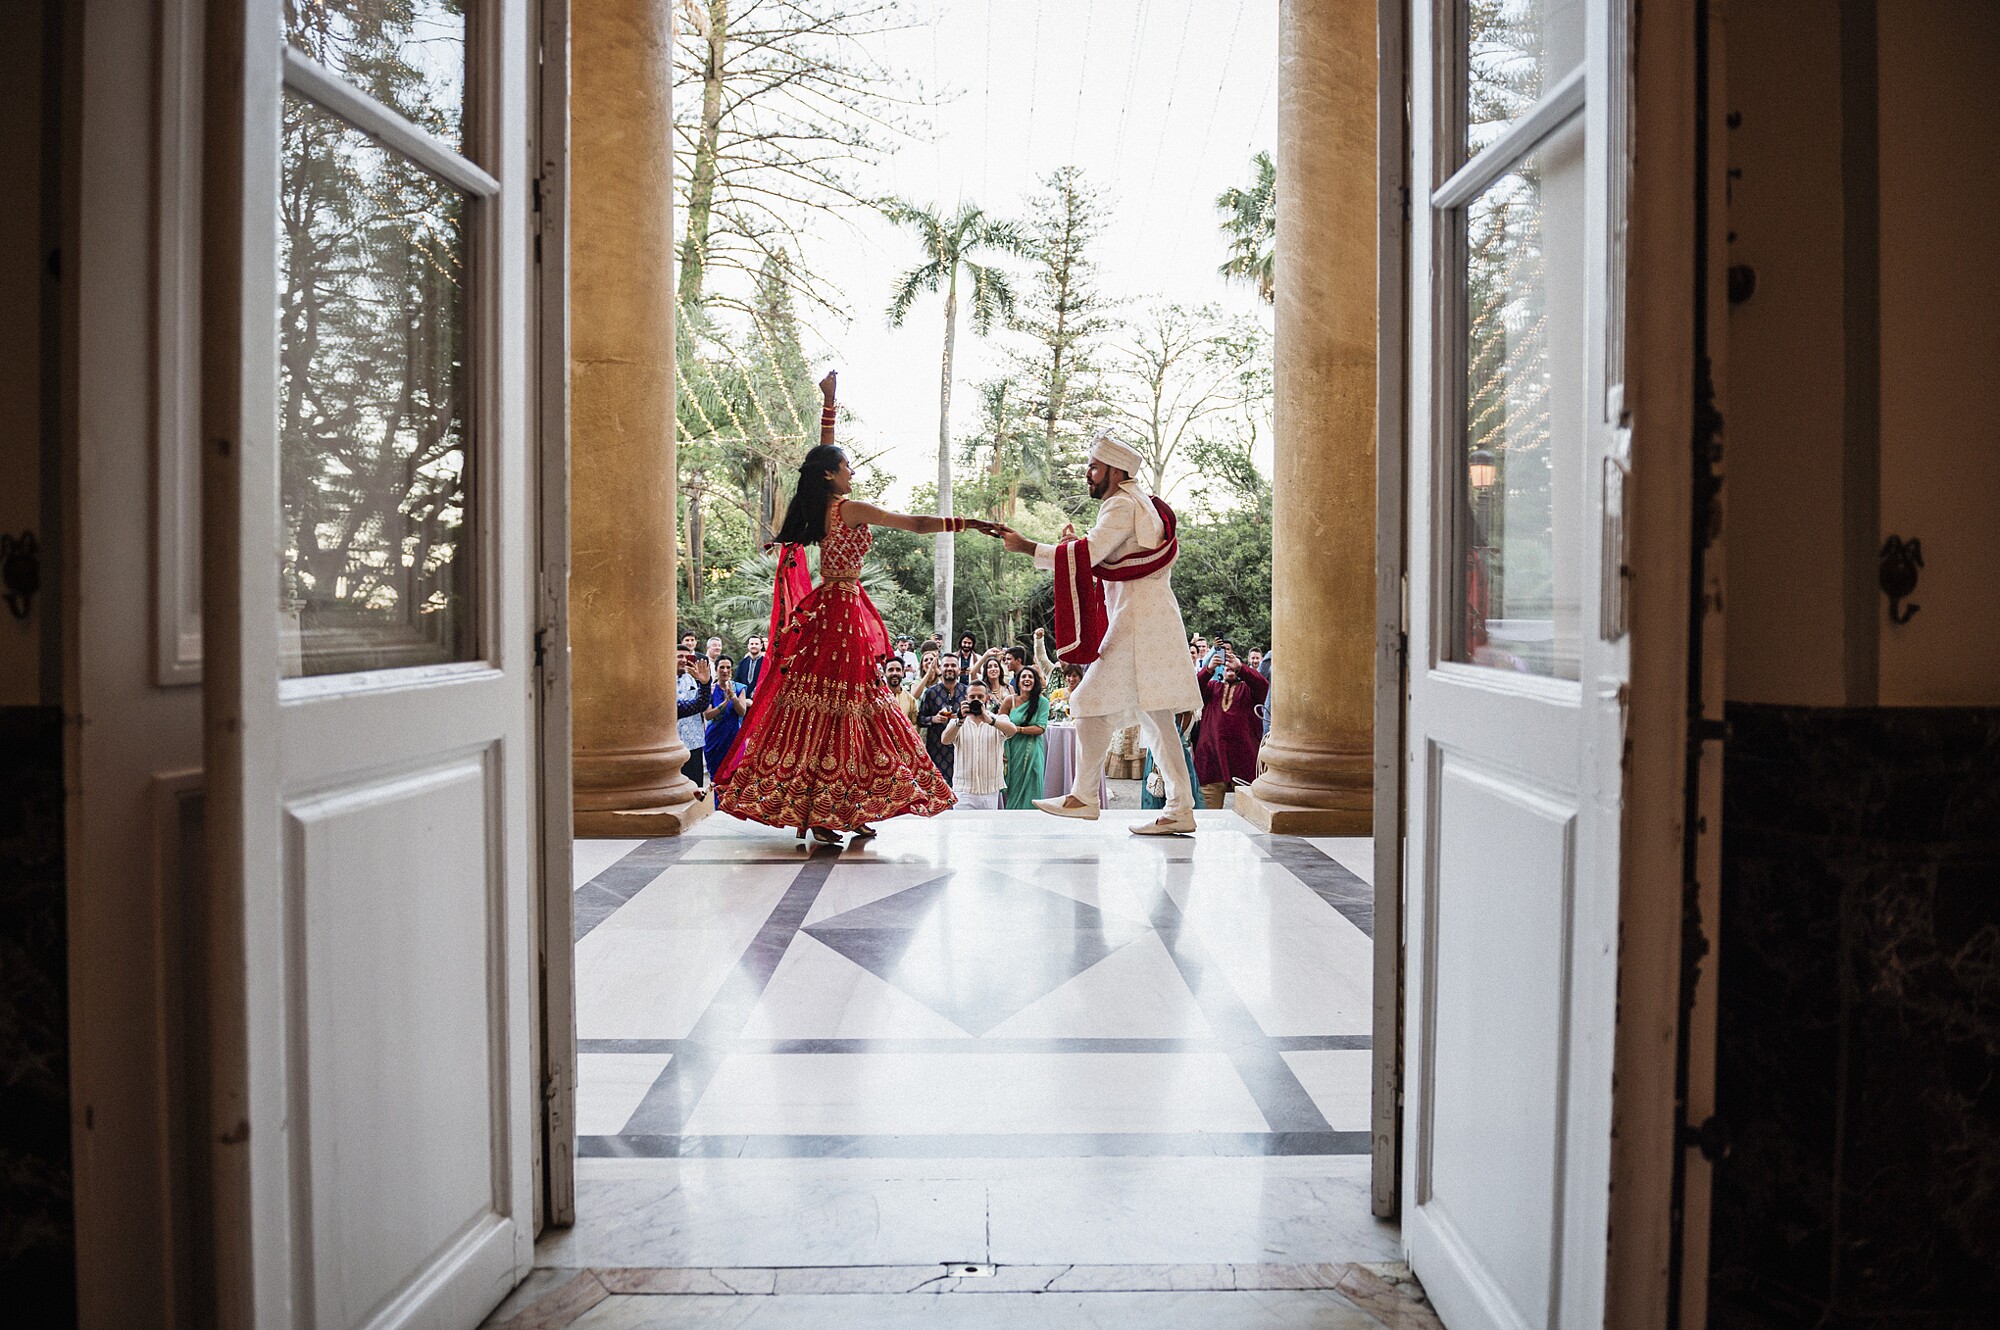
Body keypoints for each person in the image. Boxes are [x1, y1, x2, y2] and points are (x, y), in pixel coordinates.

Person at [710, 372, 994, 845]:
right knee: (847, 707)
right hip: (840, 613)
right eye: (846, 466)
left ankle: (840, 807)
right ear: (831, 475)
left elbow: (823, 456)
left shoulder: (823, 505)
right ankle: (828, 810)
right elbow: (915, 523)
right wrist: (967, 522)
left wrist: (830, 404)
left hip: (836, 610)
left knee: (841, 709)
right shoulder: (849, 508)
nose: (851, 470)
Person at [994, 431, 1203, 835]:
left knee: (1088, 700)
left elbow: (1088, 556)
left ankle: (1085, 797)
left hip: (1138, 627)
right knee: (1157, 718)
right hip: (1147, 623)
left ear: (1114, 470)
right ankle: (1180, 806)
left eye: (1093, 467)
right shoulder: (1138, 503)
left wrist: (1026, 547)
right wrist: (1074, 546)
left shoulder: (1122, 505)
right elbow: (1098, 554)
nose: (1088, 474)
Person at [1192, 646, 1268, 808]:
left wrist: (1241, 668)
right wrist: (1209, 669)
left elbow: (1263, 686)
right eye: (1226, 665)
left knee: (1250, 814)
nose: (1229, 667)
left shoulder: (1249, 690)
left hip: (1243, 758)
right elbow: (1194, 690)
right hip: (1212, 758)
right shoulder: (1213, 688)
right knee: (1208, 816)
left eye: (1232, 665)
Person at [940, 681, 1015, 810]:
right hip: (964, 791)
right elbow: (945, 740)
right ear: (966, 699)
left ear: (987, 698)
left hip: (989, 790)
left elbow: (1012, 730)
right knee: (963, 829)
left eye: (980, 697)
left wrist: (990, 720)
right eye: (972, 697)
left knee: (988, 829)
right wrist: (959, 720)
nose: (976, 700)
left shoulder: (997, 720)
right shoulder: (957, 722)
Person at [1003, 665, 1050, 809]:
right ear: (1018, 682)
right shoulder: (1009, 701)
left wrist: (1018, 729)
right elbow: (1000, 723)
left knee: (1033, 788)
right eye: (1024, 677)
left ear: (1035, 682)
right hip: (1013, 750)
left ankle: (1033, 824)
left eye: (1030, 677)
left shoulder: (1042, 702)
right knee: (1014, 788)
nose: (1027, 679)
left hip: (1032, 751)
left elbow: (1040, 728)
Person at [918, 654, 967, 784]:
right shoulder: (931, 693)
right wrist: (934, 719)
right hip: (937, 750)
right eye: (946, 665)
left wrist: (962, 718)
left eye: (953, 665)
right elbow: (920, 719)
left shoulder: (966, 692)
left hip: (962, 750)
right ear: (940, 668)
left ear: (959, 669)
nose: (949, 668)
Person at [702, 656, 749, 778]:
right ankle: (718, 798)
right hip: (714, 738)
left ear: (732, 671)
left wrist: (733, 697)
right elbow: (707, 715)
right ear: (716, 670)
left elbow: (742, 712)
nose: (725, 670)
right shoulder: (710, 690)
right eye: (721, 667)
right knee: (716, 775)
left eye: (728, 667)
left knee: (734, 775)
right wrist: (725, 702)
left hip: (733, 736)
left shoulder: (739, 688)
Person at [676, 649, 709, 786]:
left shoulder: (693, 679)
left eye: (687, 656)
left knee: (695, 786)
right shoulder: (662, 682)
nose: (684, 660)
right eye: (679, 656)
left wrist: (705, 683)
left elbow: (701, 704)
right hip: (672, 742)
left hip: (693, 741)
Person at [884, 657, 921, 726]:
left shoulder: (910, 699)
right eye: (890, 670)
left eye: (898, 670)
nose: (894, 673)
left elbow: (913, 725)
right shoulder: (878, 698)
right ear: (884, 673)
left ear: (903, 673)